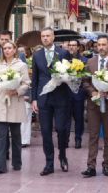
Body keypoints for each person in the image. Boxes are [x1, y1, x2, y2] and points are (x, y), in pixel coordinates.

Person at [81, 35, 108, 177]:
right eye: (98, 45)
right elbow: (85, 81)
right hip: (93, 104)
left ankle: (106, 165)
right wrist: (93, 91)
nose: (101, 47)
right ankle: (91, 166)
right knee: (93, 135)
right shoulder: (90, 62)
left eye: (103, 44)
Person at [31, 27, 72, 176]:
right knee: (46, 131)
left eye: (48, 36)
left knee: (61, 129)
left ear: (53, 37)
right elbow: (34, 79)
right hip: (44, 98)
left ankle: (62, 155)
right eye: (43, 36)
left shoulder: (63, 53)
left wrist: (63, 78)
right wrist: (34, 98)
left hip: (61, 97)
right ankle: (49, 163)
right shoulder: (37, 55)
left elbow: (71, 73)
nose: (45, 38)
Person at [0, 41, 31, 174]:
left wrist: (16, 91)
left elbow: (26, 83)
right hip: (0, 102)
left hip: (15, 103)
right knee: (1, 136)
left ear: (14, 50)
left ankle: (17, 162)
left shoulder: (21, 65)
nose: (7, 50)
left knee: (16, 135)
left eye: (9, 48)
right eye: (4, 48)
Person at [66, 39, 87, 149]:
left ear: (78, 47)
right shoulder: (63, 59)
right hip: (65, 94)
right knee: (65, 117)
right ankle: (66, 138)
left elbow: (87, 77)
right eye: (70, 45)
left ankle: (78, 138)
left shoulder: (84, 60)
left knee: (78, 118)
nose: (71, 47)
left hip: (78, 93)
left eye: (74, 45)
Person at [17, 45, 33, 148]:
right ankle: (19, 138)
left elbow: (31, 83)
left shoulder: (30, 66)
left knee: (26, 119)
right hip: (15, 97)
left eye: (23, 51)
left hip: (26, 96)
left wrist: (29, 97)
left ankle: (25, 140)